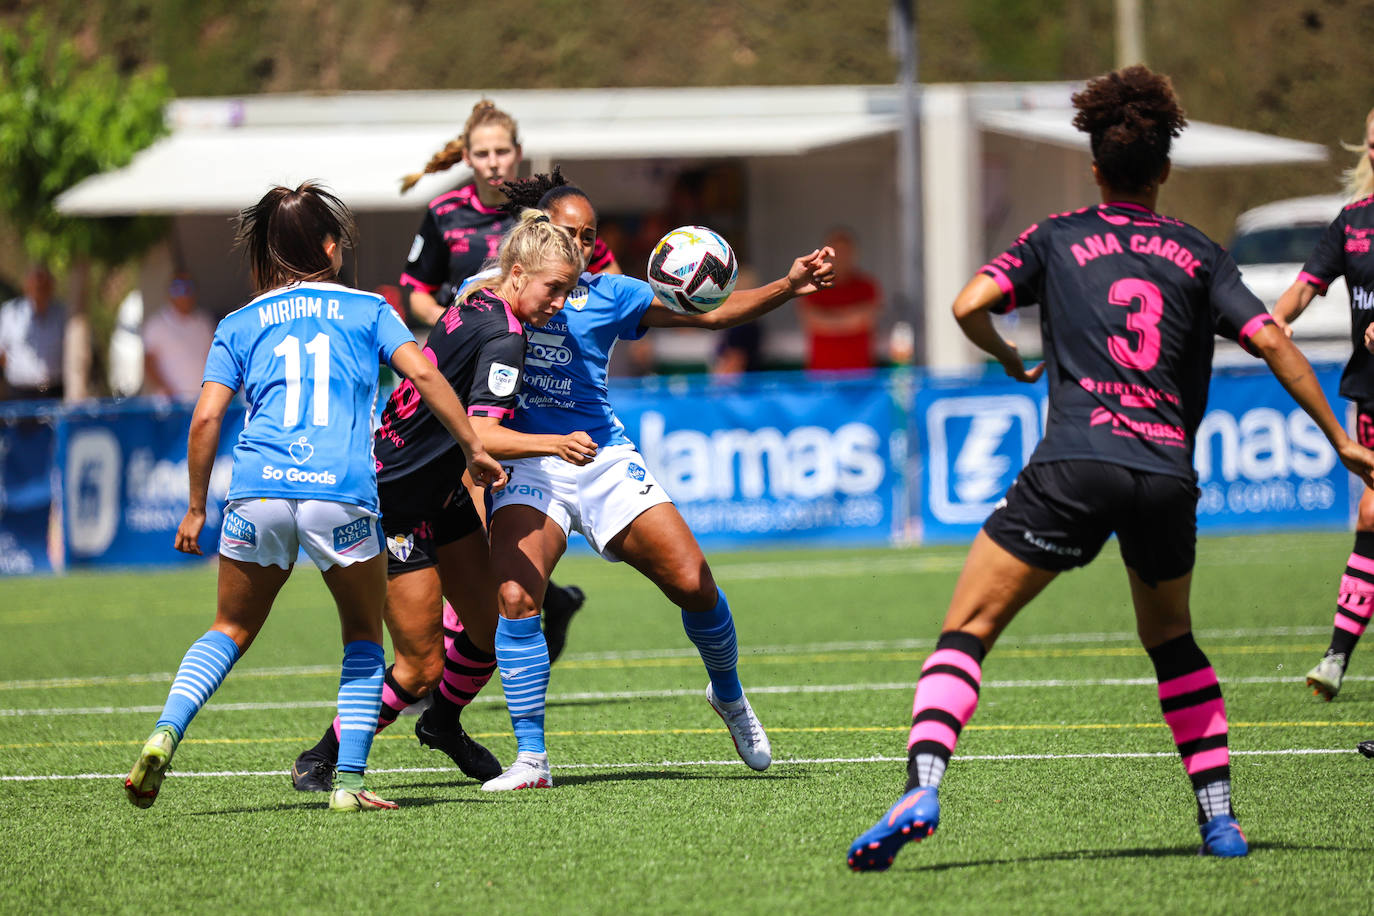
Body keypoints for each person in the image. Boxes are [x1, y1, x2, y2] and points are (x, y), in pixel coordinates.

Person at [845, 65, 1374, 870]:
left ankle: (922, 784)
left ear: (1096, 165)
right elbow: (1272, 338)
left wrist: (1007, 352)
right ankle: (1221, 820)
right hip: (1165, 475)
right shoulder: (1200, 252)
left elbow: (965, 306)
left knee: (968, 630)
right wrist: (1338, 438)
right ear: (1165, 168)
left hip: (1073, 465)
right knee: (1174, 644)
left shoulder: (1055, 236)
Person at [123, 182, 505, 813]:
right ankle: (349, 784)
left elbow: (206, 419)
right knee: (361, 638)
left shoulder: (239, 323)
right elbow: (424, 373)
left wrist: (196, 507)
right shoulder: (366, 309)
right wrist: (471, 445)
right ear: (330, 248)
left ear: (271, 253)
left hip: (257, 495)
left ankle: (166, 730)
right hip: (343, 495)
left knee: (228, 628)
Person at [469, 170, 835, 791]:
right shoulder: (489, 296)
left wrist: (789, 286)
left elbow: (711, 316)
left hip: (603, 458)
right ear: (537, 233)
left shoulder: (612, 294)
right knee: (515, 599)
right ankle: (532, 760)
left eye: (589, 236)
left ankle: (729, 697)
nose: (581, 247)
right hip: (529, 460)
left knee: (694, 581)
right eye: (569, 233)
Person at [288, 210, 592, 793]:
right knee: (420, 664)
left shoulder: (479, 296)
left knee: (488, 628)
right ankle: (322, 754)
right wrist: (555, 442)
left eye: (569, 290)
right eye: (554, 288)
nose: (560, 302)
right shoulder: (506, 336)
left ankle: (444, 723)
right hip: (394, 498)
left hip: (442, 489)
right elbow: (483, 434)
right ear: (520, 272)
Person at [399, 99, 588, 651]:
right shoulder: (442, 213)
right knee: (465, 521)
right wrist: (460, 325)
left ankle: (477, 643)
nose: (493, 162)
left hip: (511, 377)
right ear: (468, 157)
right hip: (459, 370)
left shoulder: (535, 217)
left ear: (518, 154)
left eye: (502, 151)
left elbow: (576, 264)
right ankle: (532, 611)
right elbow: (414, 291)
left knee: (476, 517)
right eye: (481, 153)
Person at [1273, 106, 1374, 702]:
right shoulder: (1354, 222)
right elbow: (1307, 285)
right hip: (1372, 391)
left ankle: (1337, 654)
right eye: (1371, 142)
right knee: (1369, 518)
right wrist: (1272, 324)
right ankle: (1336, 658)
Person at [799, 228, 881, 371]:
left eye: (845, 251)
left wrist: (829, 317)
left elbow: (869, 318)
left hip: (859, 371)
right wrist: (851, 317)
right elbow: (812, 321)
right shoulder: (813, 285)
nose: (841, 257)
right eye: (836, 252)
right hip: (822, 372)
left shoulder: (867, 286)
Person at [142, 273, 215, 400]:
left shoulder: (204, 323)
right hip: (171, 407)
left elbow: (213, 358)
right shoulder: (156, 324)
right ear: (169, 293)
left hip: (201, 401)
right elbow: (148, 363)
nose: (183, 294)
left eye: (188, 288)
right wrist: (165, 390)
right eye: (177, 288)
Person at [0, 266, 65, 400]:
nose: (39, 291)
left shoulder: (63, 314)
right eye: (36, 286)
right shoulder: (11, 313)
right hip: (20, 393)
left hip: (54, 391)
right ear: (26, 286)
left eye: (43, 287)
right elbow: (2, 354)